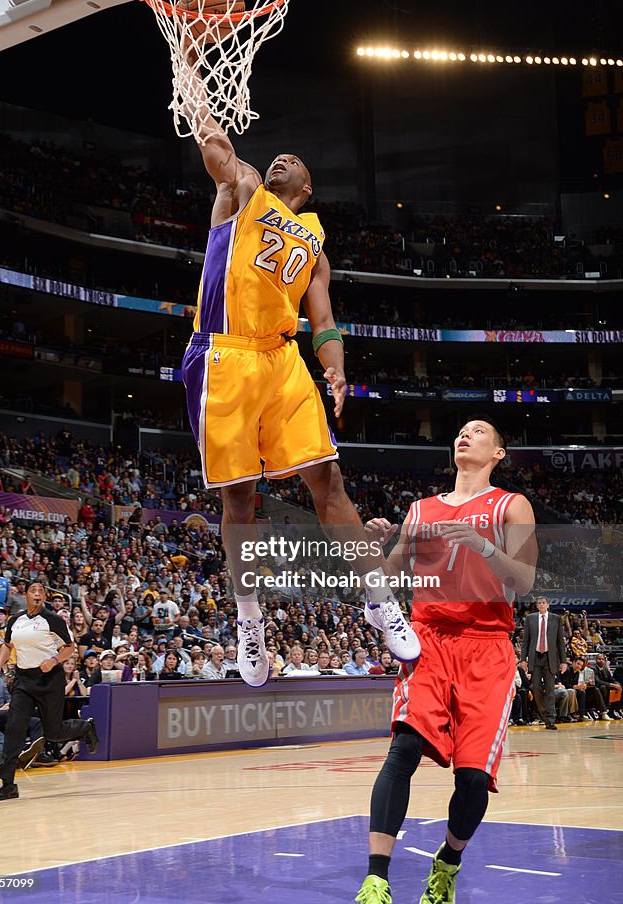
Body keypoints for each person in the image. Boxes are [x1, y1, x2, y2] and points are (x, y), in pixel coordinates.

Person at [180, 57, 418, 686]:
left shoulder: (314, 244)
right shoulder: (245, 191)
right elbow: (217, 151)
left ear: (309, 189)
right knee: (240, 497)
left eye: (293, 161)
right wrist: (194, 81)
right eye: (276, 157)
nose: (280, 161)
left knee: (329, 479)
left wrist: (336, 370)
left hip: (284, 358)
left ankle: (380, 603)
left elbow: (325, 321)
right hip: (227, 352)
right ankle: (250, 626)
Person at [355, 416, 537, 904]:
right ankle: (376, 879)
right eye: (461, 430)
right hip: (429, 639)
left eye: (479, 432)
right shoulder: (420, 510)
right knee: (403, 750)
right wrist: (373, 550)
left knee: (474, 776)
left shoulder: (512, 506)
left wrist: (482, 545)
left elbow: (525, 580)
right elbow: (386, 581)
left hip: (488, 645)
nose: (465, 435)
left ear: (498, 453)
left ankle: (448, 863)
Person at [0, 582, 100, 801]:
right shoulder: (15, 620)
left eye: (41, 591)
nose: (37, 594)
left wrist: (53, 660)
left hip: (49, 679)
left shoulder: (53, 619)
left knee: (53, 732)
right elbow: (8, 645)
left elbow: (70, 647)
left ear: (45, 596)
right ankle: (8, 783)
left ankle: (85, 727)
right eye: (33, 591)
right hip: (23, 679)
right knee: (14, 728)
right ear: (26, 595)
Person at [520, 597, 567, 730]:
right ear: (536, 605)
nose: (541, 605)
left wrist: (563, 661)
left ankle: (550, 719)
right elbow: (526, 642)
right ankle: (543, 714)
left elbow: (560, 643)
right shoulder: (530, 618)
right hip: (535, 657)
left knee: (550, 689)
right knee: (536, 688)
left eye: (543, 603)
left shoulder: (556, 619)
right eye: (539, 603)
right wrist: (523, 659)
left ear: (548, 605)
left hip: (550, 658)